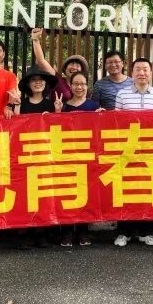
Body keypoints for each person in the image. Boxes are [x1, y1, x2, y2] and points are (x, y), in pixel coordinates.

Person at [113, 58, 153, 248]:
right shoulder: (122, 94)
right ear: (132, 73)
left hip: (150, 151)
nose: (141, 73)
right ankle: (124, 232)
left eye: (145, 69)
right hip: (128, 150)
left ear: (151, 73)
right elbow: (115, 121)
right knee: (126, 190)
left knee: (147, 190)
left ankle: (146, 232)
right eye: (138, 69)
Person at [14, 65, 59, 248]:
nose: (38, 82)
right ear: (28, 84)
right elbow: (14, 128)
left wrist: (57, 113)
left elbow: (58, 130)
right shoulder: (22, 104)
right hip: (25, 156)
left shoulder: (51, 104)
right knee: (25, 194)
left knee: (43, 194)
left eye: (41, 79)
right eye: (33, 80)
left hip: (44, 156)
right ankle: (25, 231)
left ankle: (42, 231)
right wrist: (15, 107)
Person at [57, 71, 102, 246]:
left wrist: (102, 116)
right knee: (67, 193)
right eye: (76, 84)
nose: (79, 87)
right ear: (70, 85)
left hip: (87, 156)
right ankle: (67, 232)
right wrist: (57, 112)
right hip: (67, 155)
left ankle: (83, 232)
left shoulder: (93, 106)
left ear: (87, 86)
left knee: (86, 194)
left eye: (82, 84)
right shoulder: (64, 106)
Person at [31, 27, 89, 101]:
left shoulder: (84, 86)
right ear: (65, 68)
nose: (74, 67)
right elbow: (41, 61)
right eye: (71, 64)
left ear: (82, 70)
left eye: (77, 65)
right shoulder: (58, 80)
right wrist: (35, 40)